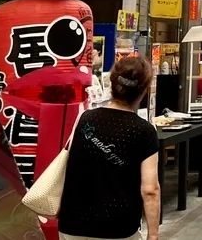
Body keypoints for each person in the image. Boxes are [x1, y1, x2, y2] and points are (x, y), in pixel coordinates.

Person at [58, 57, 159, 240]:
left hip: (72, 225)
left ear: (111, 84)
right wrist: (153, 235)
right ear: (143, 91)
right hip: (117, 228)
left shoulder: (85, 119)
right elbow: (150, 189)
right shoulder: (144, 131)